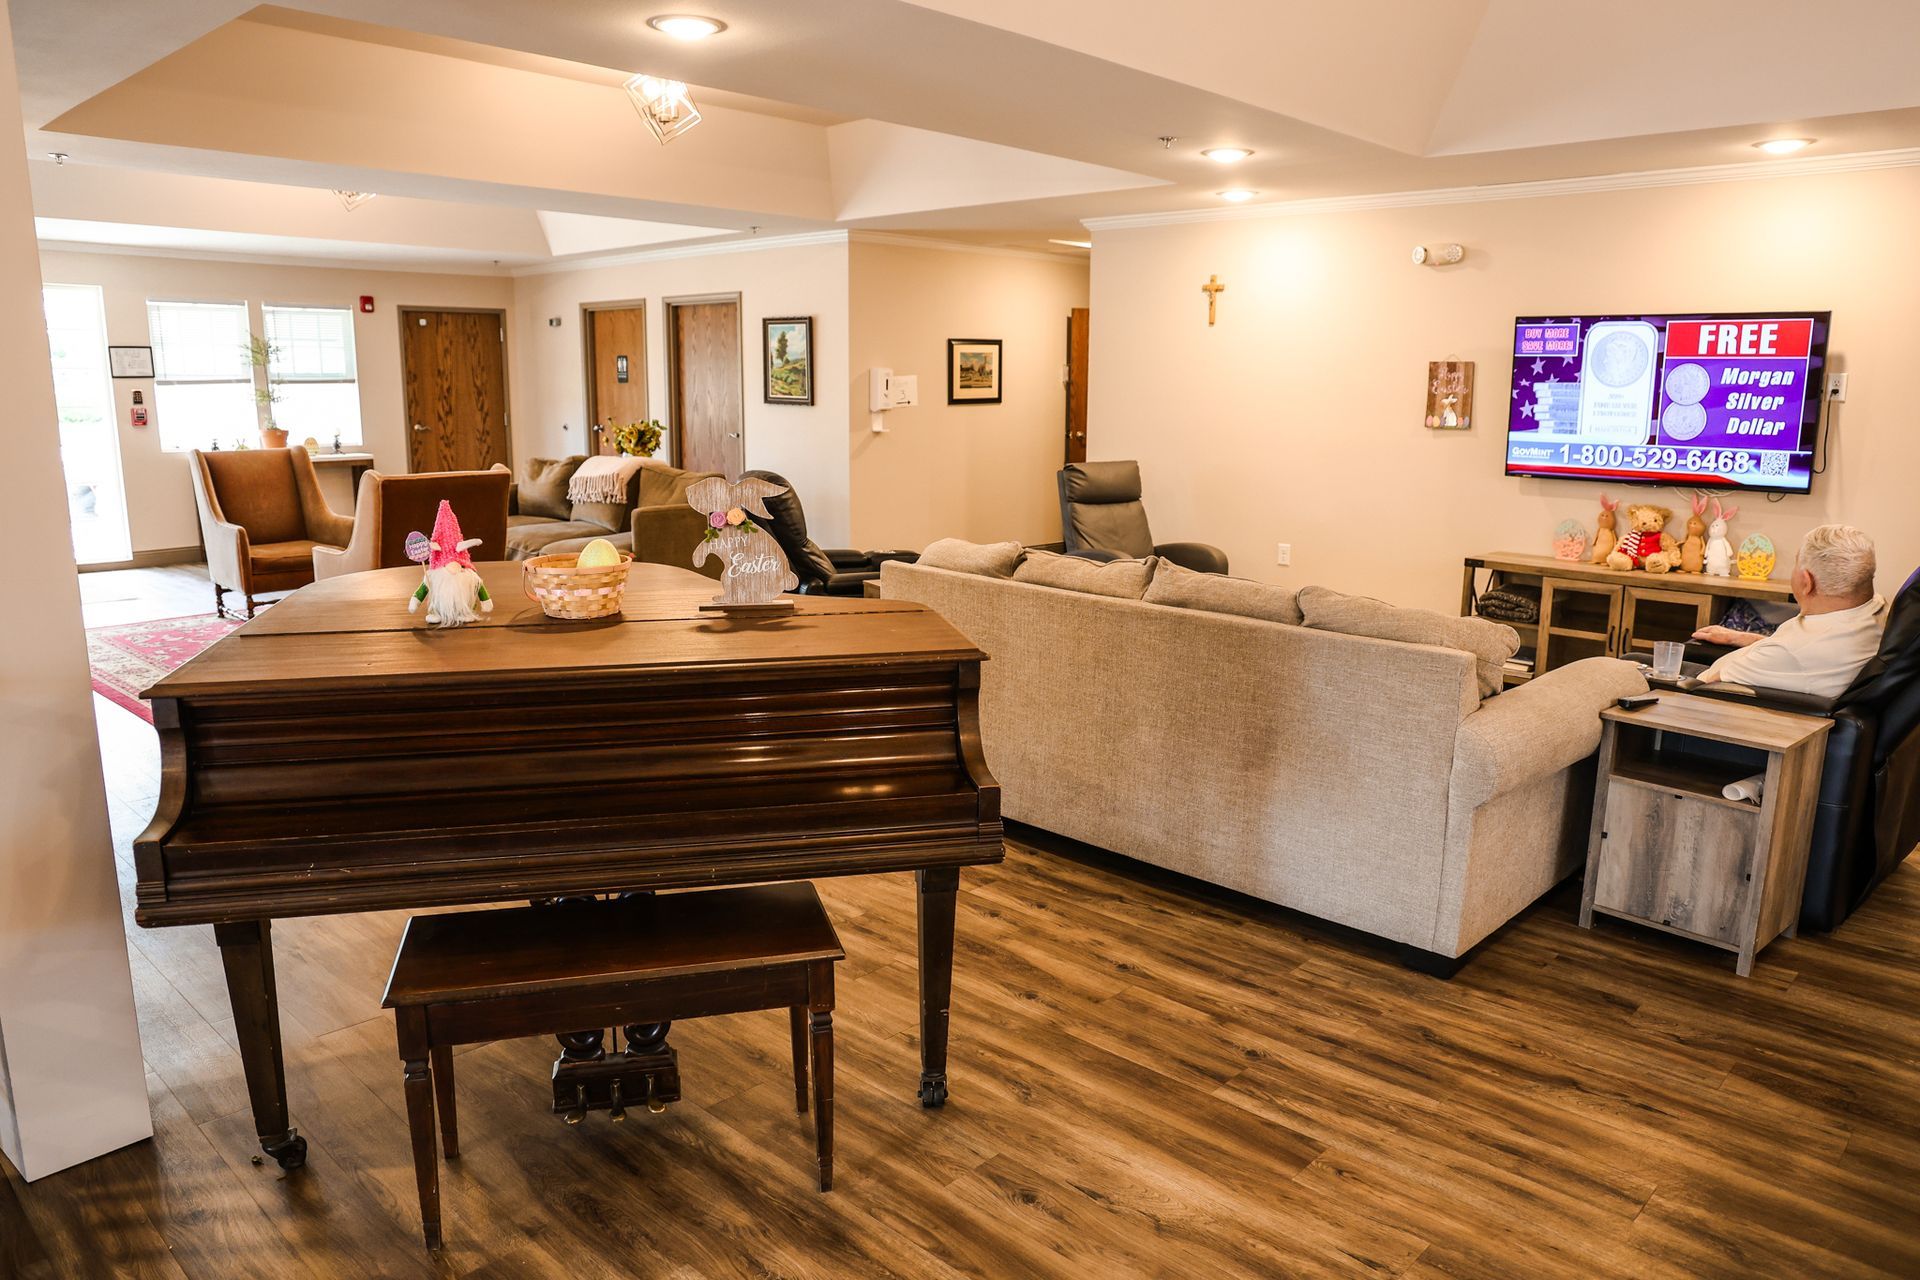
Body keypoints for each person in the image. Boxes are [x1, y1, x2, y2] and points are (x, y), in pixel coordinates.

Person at [1692, 524, 1887, 698]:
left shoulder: (1790, 653)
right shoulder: (1875, 609)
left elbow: (1706, 686)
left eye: (1795, 563)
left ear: (1806, 582)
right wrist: (1741, 638)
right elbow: (1800, 652)